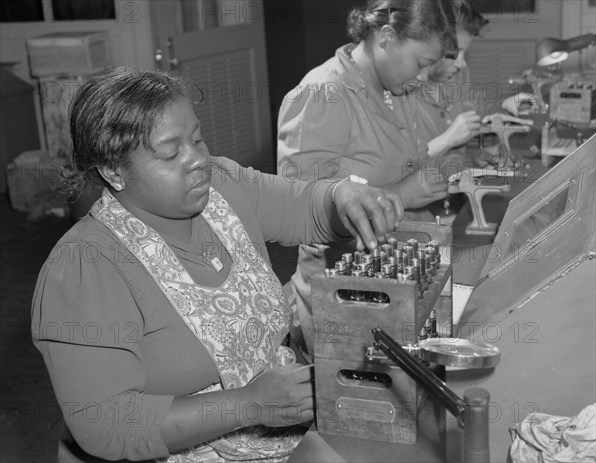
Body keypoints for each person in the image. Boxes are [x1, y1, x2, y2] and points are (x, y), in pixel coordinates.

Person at [31, 67, 403, 462]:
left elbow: (304, 206)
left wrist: (340, 195)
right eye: (171, 152)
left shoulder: (222, 187)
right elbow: (107, 424)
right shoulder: (85, 267)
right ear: (114, 171)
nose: (197, 161)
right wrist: (248, 405)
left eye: (197, 139)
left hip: (276, 431)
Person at [276, 0, 457, 358]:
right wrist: (401, 194)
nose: (423, 76)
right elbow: (294, 210)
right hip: (342, 298)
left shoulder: (394, 88)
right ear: (386, 37)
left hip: (392, 282)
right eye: (420, 63)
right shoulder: (322, 92)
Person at [408, 0, 537, 160]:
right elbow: (404, 166)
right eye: (454, 51)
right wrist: (447, 140)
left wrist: (505, 105)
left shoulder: (458, 74)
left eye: (464, 53)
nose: (462, 63)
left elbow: (474, 109)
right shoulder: (400, 90)